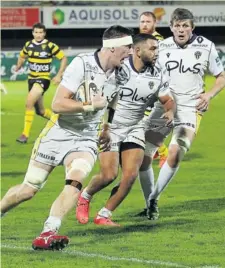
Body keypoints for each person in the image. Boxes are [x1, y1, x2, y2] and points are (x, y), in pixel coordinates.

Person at [0, 25, 133, 250]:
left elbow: (112, 102)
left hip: (86, 139)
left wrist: (107, 129)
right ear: (112, 47)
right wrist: (89, 105)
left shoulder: (122, 73)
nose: (131, 52)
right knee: (28, 189)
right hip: (57, 134)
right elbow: (58, 104)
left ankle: (48, 232)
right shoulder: (82, 64)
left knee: (75, 182)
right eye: (127, 47)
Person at [76, 33, 175, 226]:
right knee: (109, 175)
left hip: (135, 126)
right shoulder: (119, 69)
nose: (157, 53)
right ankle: (85, 196)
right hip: (109, 126)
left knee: (130, 175)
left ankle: (104, 215)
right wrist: (104, 126)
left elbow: (167, 99)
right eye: (153, 49)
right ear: (138, 51)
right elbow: (103, 100)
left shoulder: (159, 72)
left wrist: (170, 112)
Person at [139, 8, 225, 220]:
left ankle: (153, 199)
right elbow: (150, 76)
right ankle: (148, 200)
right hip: (164, 106)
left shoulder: (206, 46)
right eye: (177, 26)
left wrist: (209, 95)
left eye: (185, 25)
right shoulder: (162, 46)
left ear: (192, 27)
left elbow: (221, 77)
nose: (181, 29)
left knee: (177, 153)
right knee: (144, 157)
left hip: (190, 108)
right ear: (171, 28)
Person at [16, 22, 67, 144]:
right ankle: (60, 121)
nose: (38, 35)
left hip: (43, 79)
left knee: (29, 102)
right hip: (31, 79)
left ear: (44, 33)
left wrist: (59, 75)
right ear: (33, 33)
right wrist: (19, 65)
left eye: (40, 32)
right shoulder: (28, 45)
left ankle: (25, 135)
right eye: (36, 32)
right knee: (40, 111)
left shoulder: (50, 46)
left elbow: (63, 58)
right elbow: (22, 56)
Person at [139, 11, 168, 169]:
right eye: (142, 21)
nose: (144, 24)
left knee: (142, 122)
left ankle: (163, 152)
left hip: (154, 86)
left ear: (154, 23)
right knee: (141, 122)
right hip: (142, 85)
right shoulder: (140, 40)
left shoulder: (160, 42)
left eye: (147, 22)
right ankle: (156, 151)